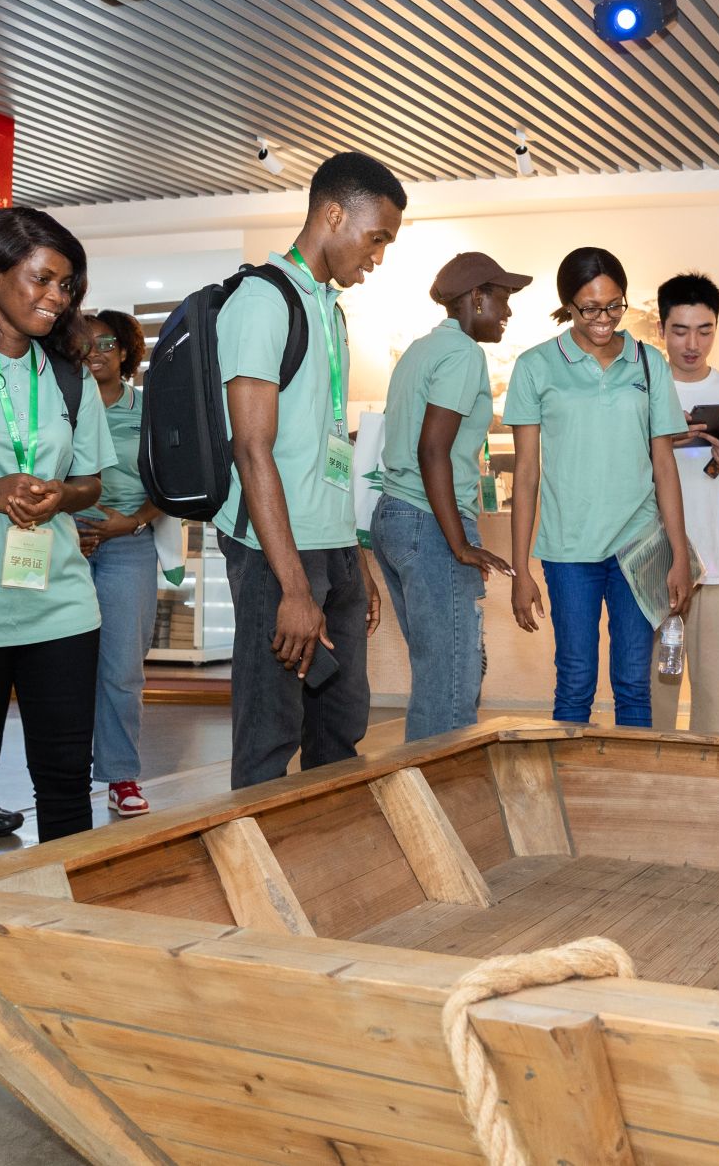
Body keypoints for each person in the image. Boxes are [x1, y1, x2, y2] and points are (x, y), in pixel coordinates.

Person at [0, 208, 113, 871]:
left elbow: (91, 482)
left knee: (65, 779)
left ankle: (70, 918)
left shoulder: (69, 375)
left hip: (61, 604)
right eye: (43, 279)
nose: (57, 297)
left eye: (67, 285)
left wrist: (61, 495)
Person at [219, 152, 399, 788]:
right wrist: (293, 588)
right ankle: (256, 851)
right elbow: (252, 450)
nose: (378, 257)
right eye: (376, 237)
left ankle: (329, 847)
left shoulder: (331, 309)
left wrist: (357, 560)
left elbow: (330, 447)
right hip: (278, 554)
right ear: (334, 215)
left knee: (340, 729)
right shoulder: (261, 300)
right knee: (270, 736)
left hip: (333, 550)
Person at [506, 248, 693, 727]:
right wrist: (520, 569)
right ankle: (574, 778)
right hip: (569, 551)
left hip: (638, 548)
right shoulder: (535, 366)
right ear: (567, 305)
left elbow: (664, 465)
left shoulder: (649, 363)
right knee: (575, 681)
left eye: (614, 306)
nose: (604, 319)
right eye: (590, 308)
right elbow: (526, 474)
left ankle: (632, 777)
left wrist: (678, 554)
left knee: (634, 684)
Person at [371, 252, 531, 739]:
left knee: (439, 674)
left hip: (397, 516)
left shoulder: (420, 350)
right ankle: (440, 786)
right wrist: (460, 544)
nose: (508, 311)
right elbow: (432, 450)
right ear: (476, 297)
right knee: (450, 686)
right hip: (431, 524)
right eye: (502, 298)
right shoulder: (463, 353)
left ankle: (426, 781)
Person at [650, 273, 719, 736]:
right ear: (661, 329)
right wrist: (661, 443)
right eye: (680, 331)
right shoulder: (642, 391)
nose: (692, 344)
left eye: (705, 330)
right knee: (651, 700)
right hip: (651, 564)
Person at [74, 309, 165, 815]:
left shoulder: (149, 409)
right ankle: (64, 776)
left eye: (106, 343)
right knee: (60, 668)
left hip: (129, 547)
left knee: (122, 669)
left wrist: (131, 522)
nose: (95, 352)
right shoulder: (61, 403)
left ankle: (121, 776)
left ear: (126, 350)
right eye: (85, 344)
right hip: (65, 545)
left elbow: (172, 482)